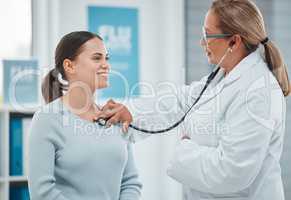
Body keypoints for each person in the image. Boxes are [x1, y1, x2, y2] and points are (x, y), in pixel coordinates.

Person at [98, 0, 290, 199]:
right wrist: (132, 112)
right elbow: (182, 100)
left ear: (234, 42)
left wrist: (183, 150)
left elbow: (232, 171)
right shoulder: (223, 76)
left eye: (207, 35)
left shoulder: (258, 92)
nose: (202, 43)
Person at [28, 31, 142, 200]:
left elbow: (130, 182)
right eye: (97, 58)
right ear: (69, 66)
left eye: (106, 58)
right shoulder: (47, 119)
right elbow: (42, 192)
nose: (106, 65)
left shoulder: (114, 117)